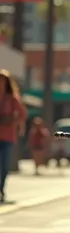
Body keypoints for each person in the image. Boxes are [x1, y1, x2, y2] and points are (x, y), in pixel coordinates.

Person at [0, 69, 27, 202]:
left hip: (8, 136)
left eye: (3, 81)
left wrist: (13, 122)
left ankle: (1, 189)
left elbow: (22, 114)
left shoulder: (12, 99)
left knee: (4, 166)